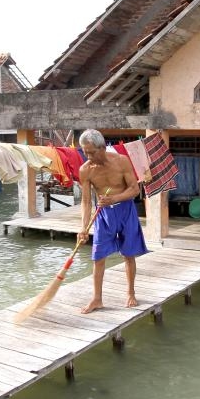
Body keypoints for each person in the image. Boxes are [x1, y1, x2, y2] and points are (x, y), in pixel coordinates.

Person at [77, 129, 149, 313]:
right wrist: (83, 228)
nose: (88, 156)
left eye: (91, 152)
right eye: (85, 152)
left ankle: (131, 293)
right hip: (103, 215)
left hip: (126, 211)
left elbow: (135, 190)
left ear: (102, 148)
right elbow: (86, 202)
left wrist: (115, 198)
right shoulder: (85, 170)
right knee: (98, 257)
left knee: (128, 254)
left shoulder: (122, 161)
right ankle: (96, 299)